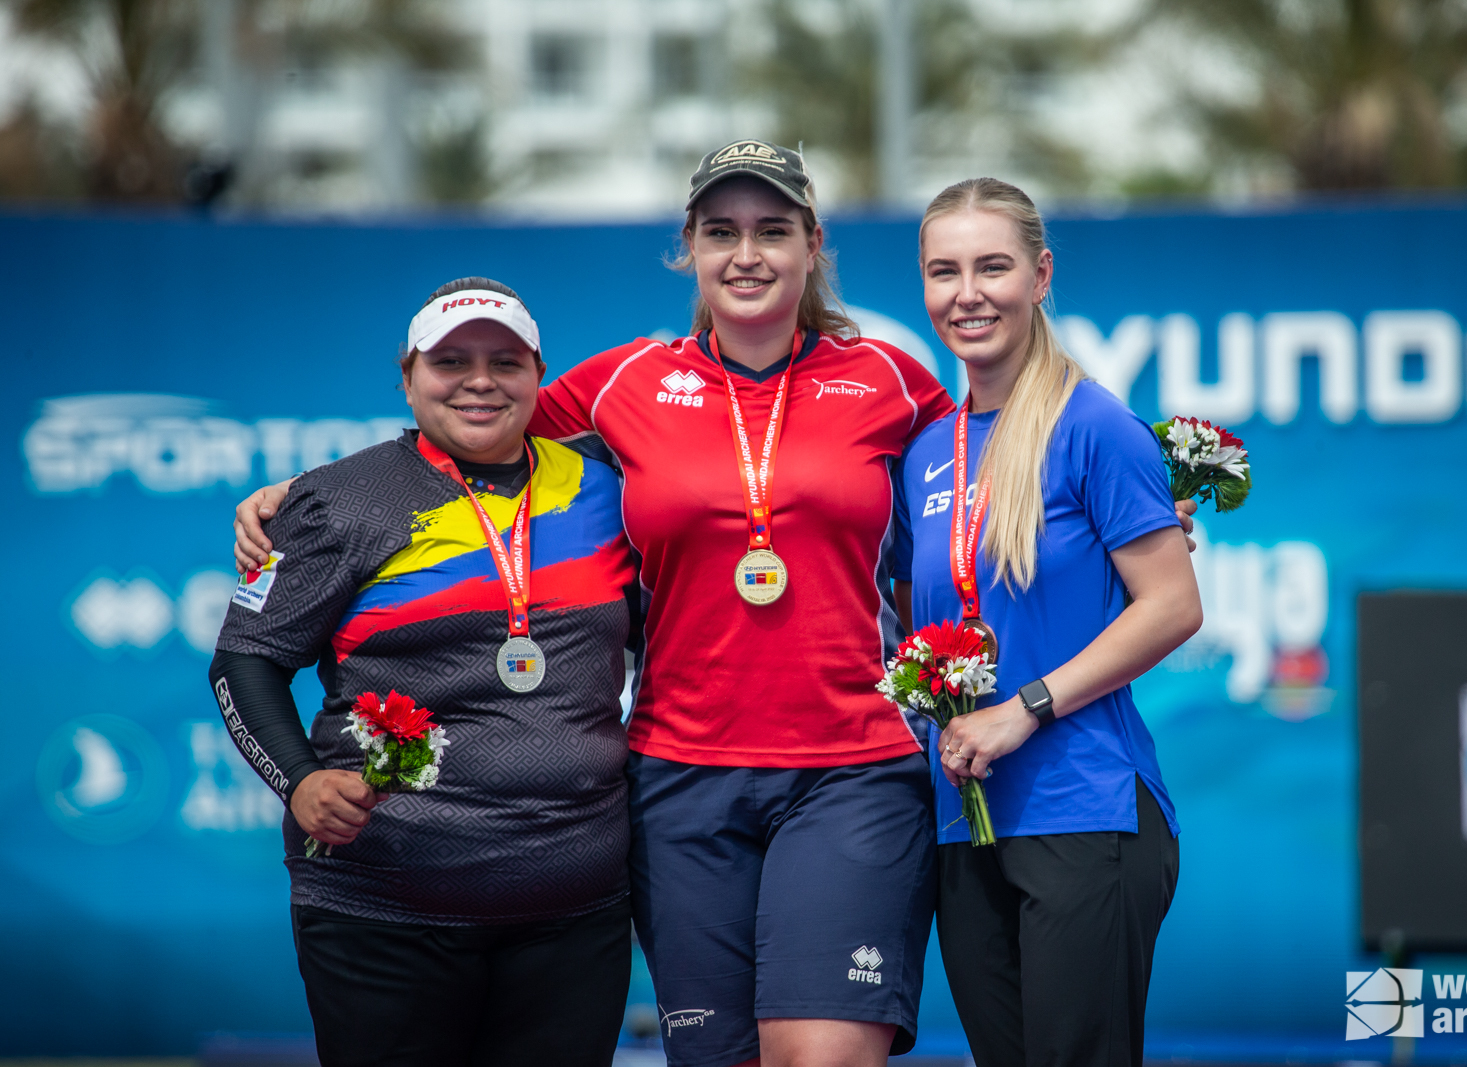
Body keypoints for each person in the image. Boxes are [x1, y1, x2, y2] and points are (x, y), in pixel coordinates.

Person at [235, 141, 957, 1067]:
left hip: (851, 764)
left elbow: (989, 471)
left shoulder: (890, 379)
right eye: (721, 231)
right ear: (687, 247)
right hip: (679, 773)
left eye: (774, 230)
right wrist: (304, 492)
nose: (748, 253)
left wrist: (1136, 494)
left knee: (818, 1053)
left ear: (812, 244)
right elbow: (461, 422)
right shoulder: (625, 382)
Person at [211, 278, 637, 1067]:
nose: (480, 379)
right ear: (406, 377)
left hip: (576, 914)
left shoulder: (608, 491)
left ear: (539, 375)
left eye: (505, 360)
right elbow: (244, 662)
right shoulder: (339, 499)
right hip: (383, 910)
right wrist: (299, 780)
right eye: (451, 361)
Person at [893, 177, 1203, 1067]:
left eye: (993, 266)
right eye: (944, 271)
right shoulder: (925, 450)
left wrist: (1022, 706)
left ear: (1040, 273)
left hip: (1084, 806)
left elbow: (1174, 603)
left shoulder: (1095, 424)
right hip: (966, 819)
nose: (968, 293)